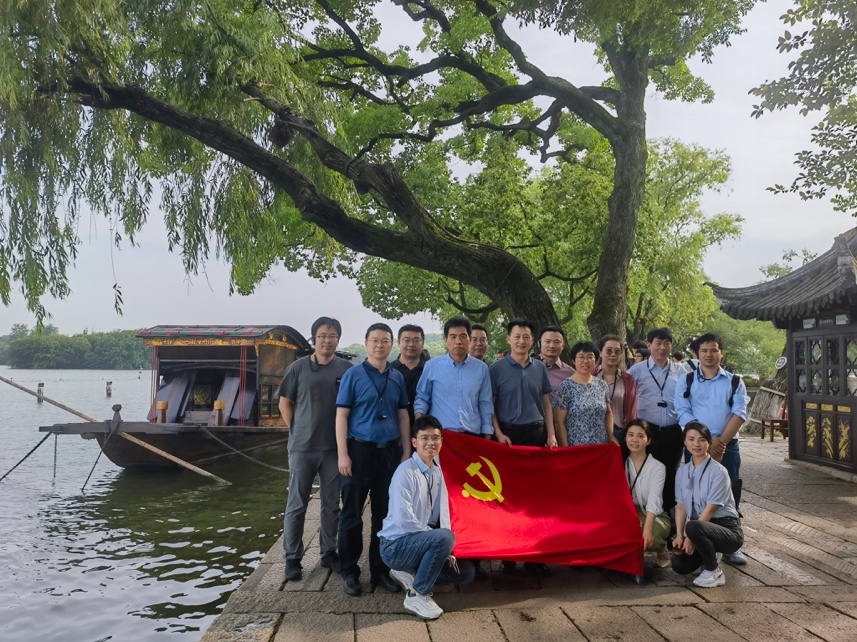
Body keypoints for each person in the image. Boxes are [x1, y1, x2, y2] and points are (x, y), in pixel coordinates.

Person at [335, 323, 412, 596]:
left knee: (385, 515)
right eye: (375, 340)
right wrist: (343, 454)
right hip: (359, 451)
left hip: (389, 453)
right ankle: (349, 571)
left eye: (385, 340)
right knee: (352, 514)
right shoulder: (353, 375)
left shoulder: (397, 377)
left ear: (392, 345)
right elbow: (341, 415)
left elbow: (403, 414)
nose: (380, 345)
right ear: (366, 343)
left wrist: (406, 450)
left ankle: (379, 571)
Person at [278, 316, 353, 581]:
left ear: (338, 340)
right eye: (322, 336)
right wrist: (296, 429)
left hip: (333, 449)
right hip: (302, 448)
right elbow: (284, 403)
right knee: (296, 504)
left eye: (332, 336)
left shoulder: (346, 369)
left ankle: (328, 552)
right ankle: (292, 558)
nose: (327, 341)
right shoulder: (297, 368)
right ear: (314, 339)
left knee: (331, 504)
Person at [379, 416, 475, 619]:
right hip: (395, 547)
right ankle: (417, 594)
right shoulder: (405, 472)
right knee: (444, 537)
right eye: (424, 438)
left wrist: (448, 549)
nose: (430, 443)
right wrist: (440, 539)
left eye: (435, 438)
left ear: (441, 442)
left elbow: (442, 513)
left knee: (466, 573)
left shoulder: (437, 472)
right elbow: (404, 520)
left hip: (419, 542)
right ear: (414, 442)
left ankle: (409, 574)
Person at [489, 319, 558, 576]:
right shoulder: (496, 369)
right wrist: (498, 433)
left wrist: (551, 434)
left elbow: (546, 404)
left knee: (536, 498)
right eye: (517, 336)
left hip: (536, 435)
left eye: (526, 337)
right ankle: (509, 555)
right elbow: (490, 405)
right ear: (508, 339)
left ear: (532, 341)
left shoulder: (539, 367)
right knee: (508, 498)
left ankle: (535, 557)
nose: (521, 341)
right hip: (508, 437)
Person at [674, 333, 749, 565]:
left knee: (730, 489)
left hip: (728, 444)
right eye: (704, 350)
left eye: (714, 350)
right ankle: (700, 536)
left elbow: (740, 413)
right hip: (697, 444)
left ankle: (731, 543)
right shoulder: (686, 380)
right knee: (696, 489)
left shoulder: (734, 381)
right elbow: (682, 411)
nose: (709, 354)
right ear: (697, 353)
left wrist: (720, 442)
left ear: (721, 353)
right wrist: (705, 440)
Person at [671, 422, 744, 588]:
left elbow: (710, 509)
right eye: (691, 439)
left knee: (693, 527)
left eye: (702, 440)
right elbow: (680, 506)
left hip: (727, 529)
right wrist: (680, 536)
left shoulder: (719, 471)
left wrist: (691, 537)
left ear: (709, 443)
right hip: (700, 528)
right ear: (685, 442)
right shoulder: (682, 472)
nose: (696, 444)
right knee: (679, 565)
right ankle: (710, 552)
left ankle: (714, 571)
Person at [628, 328, 684, 512]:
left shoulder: (681, 371)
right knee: (645, 472)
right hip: (647, 431)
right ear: (649, 345)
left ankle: (667, 515)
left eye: (666, 343)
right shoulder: (636, 370)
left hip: (673, 431)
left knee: (671, 473)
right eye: (658, 343)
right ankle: (644, 513)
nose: (662, 348)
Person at [414, 316, 493, 438]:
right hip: (441, 436)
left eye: (463, 336)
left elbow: (485, 402)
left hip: (473, 436)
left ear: (469, 339)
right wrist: (419, 424)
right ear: (445, 340)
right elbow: (422, 398)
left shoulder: (481, 368)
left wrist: (487, 434)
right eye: (453, 337)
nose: (458, 341)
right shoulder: (432, 366)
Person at [624, 419, 671, 568]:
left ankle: (661, 546)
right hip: (629, 512)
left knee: (648, 537)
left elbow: (654, 501)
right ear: (625, 438)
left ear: (648, 440)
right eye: (630, 435)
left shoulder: (658, 467)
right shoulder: (620, 463)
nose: (634, 440)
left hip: (654, 514)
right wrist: (632, 519)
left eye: (640, 436)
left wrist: (647, 530)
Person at [553, 341, 617, 446]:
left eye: (590, 357)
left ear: (595, 360)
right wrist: (566, 449)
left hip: (600, 446)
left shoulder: (602, 385)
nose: (585, 361)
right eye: (581, 357)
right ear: (573, 361)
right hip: (576, 449)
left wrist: (610, 434)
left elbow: (608, 413)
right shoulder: (565, 387)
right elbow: (559, 423)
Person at [596, 334, 637, 443]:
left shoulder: (627, 379)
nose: (613, 354)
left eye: (617, 351)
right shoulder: (591, 376)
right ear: (600, 352)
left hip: (619, 432)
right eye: (609, 351)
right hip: (594, 432)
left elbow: (632, 411)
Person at [391, 324, 426, 426]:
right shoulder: (389, 371)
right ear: (398, 342)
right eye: (406, 340)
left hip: (423, 428)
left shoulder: (430, 371)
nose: (411, 344)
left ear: (423, 343)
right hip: (394, 428)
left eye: (416, 340)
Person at [538, 325, 574, 399]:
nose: (552, 346)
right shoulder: (527, 367)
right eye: (547, 341)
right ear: (540, 343)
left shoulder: (571, 374)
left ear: (563, 345)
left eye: (557, 342)